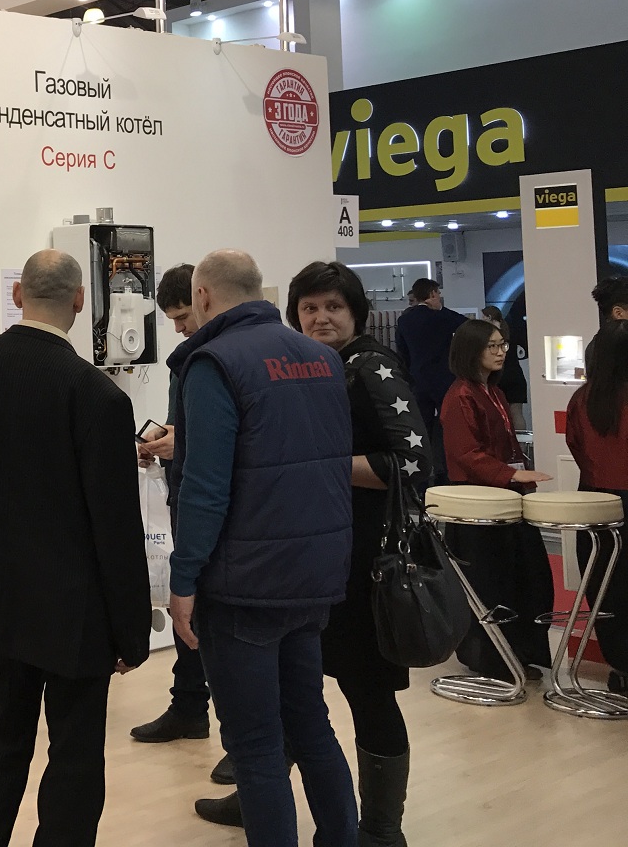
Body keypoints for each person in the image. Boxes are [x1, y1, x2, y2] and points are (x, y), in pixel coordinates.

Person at [0, 248, 151, 847]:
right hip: (76, 614)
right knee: (75, 753)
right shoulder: (98, 395)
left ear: (17, 295)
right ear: (80, 300)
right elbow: (116, 527)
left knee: (0, 737)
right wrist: (132, 631)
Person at [168, 249, 357, 847]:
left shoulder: (214, 362)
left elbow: (204, 486)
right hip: (313, 573)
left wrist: (183, 577)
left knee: (255, 747)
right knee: (311, 724)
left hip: (243, 583)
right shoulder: (323, 359)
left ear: (202, 296)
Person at [290, 262, 427, 847]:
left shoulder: (371, 366)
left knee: (367, 692)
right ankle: (259, 795)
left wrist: (318, 466)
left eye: (333, 307)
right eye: (309, 308)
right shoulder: (317, 368)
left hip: (366, 563)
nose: (321, 318)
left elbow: (413, 465)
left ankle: (382, 830)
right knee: (294, 685)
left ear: (356, 312)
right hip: (320, 555)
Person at [130, 264, 233, 787]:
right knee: (186, 609)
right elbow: (188, 424)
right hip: (185, 495)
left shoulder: (224, 359)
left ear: (206, 299)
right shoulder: (186, 359)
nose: (178, 327)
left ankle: (242, 740)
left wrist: (183, 443)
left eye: (183, 315)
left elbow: (229, 443)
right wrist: (166, 440)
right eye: (169, 319)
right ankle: (189, 706)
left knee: (219, 622)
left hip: (223, 511)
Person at [440, 319, 554, 676]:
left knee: (525, 580)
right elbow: (466, 454)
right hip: (479, 506)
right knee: (491, 583)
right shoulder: (460, 395)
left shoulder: (494, 392)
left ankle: (520, 653)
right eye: (492, 345)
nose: (501, 351)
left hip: (505, 498)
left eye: (502, 344)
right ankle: (493, 660)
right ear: (471, 350)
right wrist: (512, 474)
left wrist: (517, 477)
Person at [564, 321, 628, 681]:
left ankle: (619, 665)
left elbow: (575, 446)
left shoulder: (582, 398)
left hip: (593, 501)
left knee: (605, 589)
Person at [394, 278, 466, 484]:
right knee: (446, 427)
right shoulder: (443, 318)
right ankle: (446, 473)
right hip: (444, 380)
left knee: (421, 429)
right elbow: (466, 325)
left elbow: (402, 352)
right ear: (433, 294)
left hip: (417, 381)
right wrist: (441, 310)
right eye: (438, 294)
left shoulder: (405, 321)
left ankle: (422, 475)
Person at [481, 305, 528, 425]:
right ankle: (520, 438)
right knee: (517, 413)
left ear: (489, 317)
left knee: (498, 413)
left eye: (483, 317)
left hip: (498, 376)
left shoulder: (489, 337)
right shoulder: (509, 331)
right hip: (516, 375)